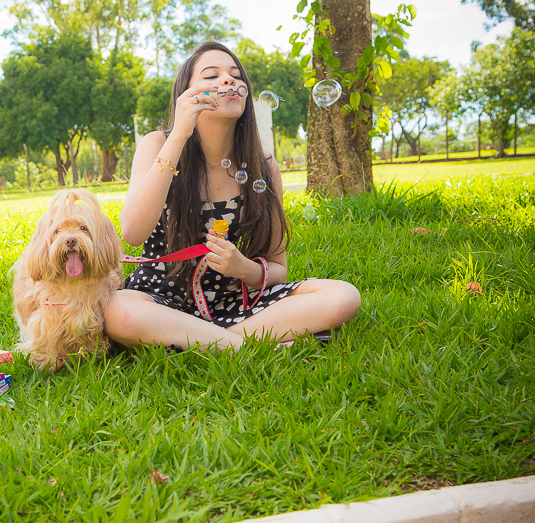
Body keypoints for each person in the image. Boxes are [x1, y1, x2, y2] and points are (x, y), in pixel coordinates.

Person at [103, 41, 360, 351]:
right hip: (160, 301)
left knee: (343, 297)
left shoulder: (263, 167)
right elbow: (133, 232)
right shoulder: (158, 144)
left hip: (236, 303)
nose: (228, 80)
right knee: (116, 310)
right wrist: (180, 135)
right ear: (186, 93)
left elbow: (278, 268)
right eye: (212, 76)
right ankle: (247, 345)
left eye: (236, 76)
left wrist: (244, 268)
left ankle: (203, 342)